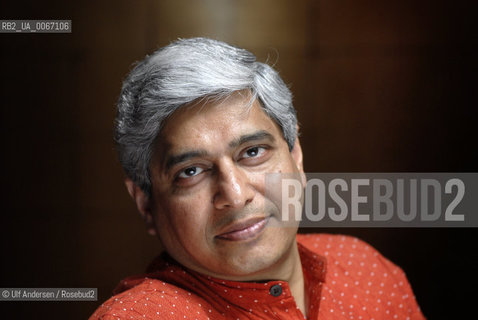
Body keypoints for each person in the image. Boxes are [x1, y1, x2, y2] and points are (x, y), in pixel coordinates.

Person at [90, 38, 425, 319]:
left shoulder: (365, 268)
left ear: (296, 157)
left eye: (252, 153)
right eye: (190, 172)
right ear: (146, 202)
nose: (235, 195)